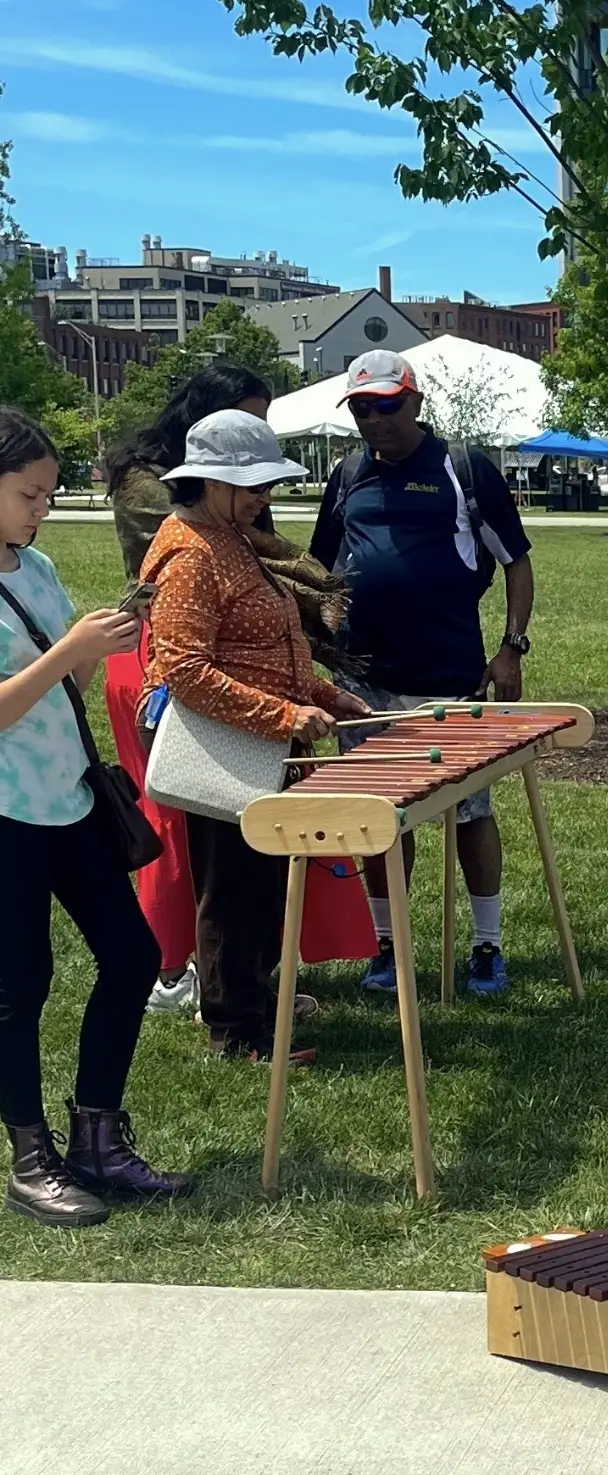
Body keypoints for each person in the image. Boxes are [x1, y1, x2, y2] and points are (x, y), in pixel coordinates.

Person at [101, 363, 368, 1014]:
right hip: (222, 740)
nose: (264, 496)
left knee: (259, 880)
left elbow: (264, 640)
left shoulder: (225, 535)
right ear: (214, 481)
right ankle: (235, 1025)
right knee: (232, 885)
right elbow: (187, 671)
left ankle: (255, 998)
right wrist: (284, 715)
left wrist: (324, 695)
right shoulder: (190, 550)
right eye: (256, 484)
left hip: (254, 732)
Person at [0, 406, 191, 1225]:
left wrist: (94, 650)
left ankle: (97, 1137)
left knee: (131, 952)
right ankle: (30, 1156)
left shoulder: (36, 567)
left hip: (68, 796)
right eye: (28, 494)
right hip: (7, 811)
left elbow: (62, 689)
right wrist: (71, 651)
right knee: (20, 984)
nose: (41, 509)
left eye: (48, 494)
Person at [312, 351, 536, 997]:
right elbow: (318, 570)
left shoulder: (463, 468)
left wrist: (511, 648)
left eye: (387, 405)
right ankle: (388, 946)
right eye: (361, 408)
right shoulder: (346, 474)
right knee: (379, 815)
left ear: (415, 402)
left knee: (470, 812)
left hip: (450, 677)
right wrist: (319, 644)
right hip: (365, 682)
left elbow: (517, 561)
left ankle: (487, 946)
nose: (374, 419)